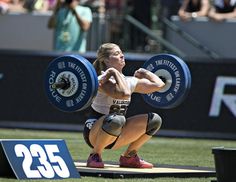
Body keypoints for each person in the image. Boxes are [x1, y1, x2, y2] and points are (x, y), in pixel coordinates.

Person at [83, 43, 165, 168]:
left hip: (117, 131)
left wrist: (145, 72)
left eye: (121, 52)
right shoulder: (102, 80)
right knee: (117, 118)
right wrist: (113, 73)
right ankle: (95, 155)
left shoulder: (129, 80)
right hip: (94, 133)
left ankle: (129, 157)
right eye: (116, 54)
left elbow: (159, 85)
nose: (122, 55)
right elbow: (124, 94)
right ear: (106, 60)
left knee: (155, 120)